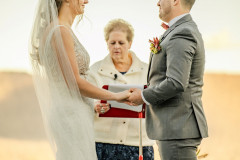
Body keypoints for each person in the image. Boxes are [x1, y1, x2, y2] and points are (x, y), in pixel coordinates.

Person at [29, 0, 129, 159]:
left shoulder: (58, 30)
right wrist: (116, 96)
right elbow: (74, 82)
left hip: (72, 111)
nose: (87, 1)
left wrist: (94, 104)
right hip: (72, 115)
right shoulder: (60, 31)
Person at [127, 0, 208, 159]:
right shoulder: (179, 30)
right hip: (173, 126)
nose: (157, 3)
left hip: (178, 126)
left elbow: (176, 82)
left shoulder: (183, 32)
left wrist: (143, 96)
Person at [88, 19, 155, 160]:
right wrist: (95, 106)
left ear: (130, 43)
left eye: (121, 43)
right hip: (103, 144)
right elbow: (84, 102)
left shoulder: (148, 71)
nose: (116, 47)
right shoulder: (94, 71)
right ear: (107, 43)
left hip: (139, 145)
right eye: (112, 43)